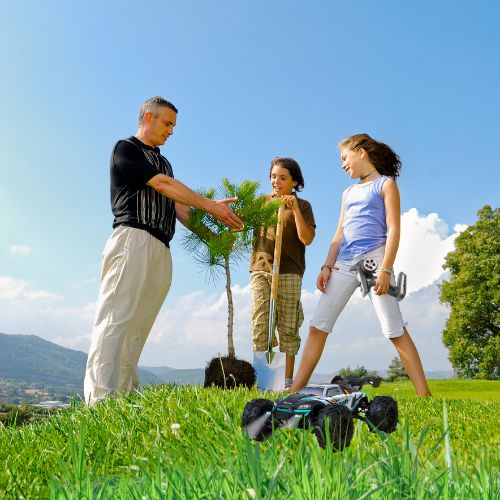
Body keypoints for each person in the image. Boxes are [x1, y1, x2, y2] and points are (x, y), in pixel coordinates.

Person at [84, 96, 242, 405]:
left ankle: (125, 395)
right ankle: (98, 399)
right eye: (167, 123)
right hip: (132, 240)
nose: (171, 131)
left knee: (140, 324)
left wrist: (213, 236)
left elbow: (179, 208)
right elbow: (162, 185)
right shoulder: (125, 149)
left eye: (173, 126)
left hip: (160, 247)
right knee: (116, 318)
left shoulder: (164, 162)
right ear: (147, 117)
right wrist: (211, 206)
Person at [288, 134, 432, 397]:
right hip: (343, 262)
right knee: (317, 326)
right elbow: (338, 234)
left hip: (373, 259)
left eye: (345, 158)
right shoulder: (348, 192)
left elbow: (394, 229)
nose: (343, 165)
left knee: (394, 329)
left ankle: (425, 396)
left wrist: (386, 269)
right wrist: (327, 266)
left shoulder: (385, 185)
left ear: (362, 152)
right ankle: (295, 390)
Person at [250, 157, 315, 387]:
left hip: (290, 271)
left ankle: (286, 382)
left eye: (283, 177)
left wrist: (294, 208)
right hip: (262, 268)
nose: (276, 181)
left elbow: (306, 238)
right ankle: (263, 380)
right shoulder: (261, 203)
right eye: (273, 176)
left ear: (294, 181)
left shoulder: (303, 206)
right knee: (260, 323)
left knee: (288, 325)